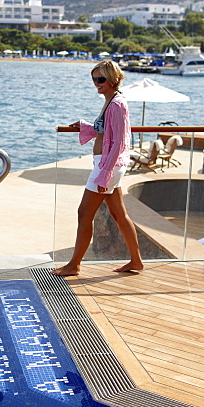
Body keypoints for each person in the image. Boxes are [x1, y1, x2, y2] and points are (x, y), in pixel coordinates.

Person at [54, 60, 144, 277]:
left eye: (101, 79)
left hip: (108, 167)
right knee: (118, 214)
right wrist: (86, 126)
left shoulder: (117, 104)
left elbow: (119, 143)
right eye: (94, 79)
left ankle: (74, 265)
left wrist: (104, 174)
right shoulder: (111, 101)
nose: (97, 83)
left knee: (84, 214)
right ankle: (136, 260)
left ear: (113, 79)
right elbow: (106, 132)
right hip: (108, 166)